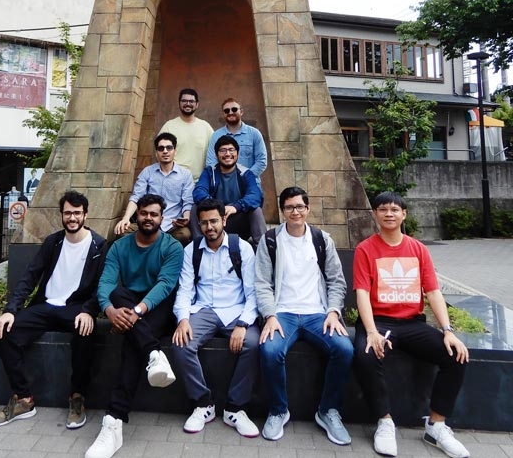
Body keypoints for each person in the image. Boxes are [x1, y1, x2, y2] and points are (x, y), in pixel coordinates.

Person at [353, 192, 470, 458]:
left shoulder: (418, 249)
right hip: (379, 322)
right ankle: (384, 422)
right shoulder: (365, 249)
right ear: (375, 214)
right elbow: (362, 292)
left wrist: (448, 331)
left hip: (412, 323)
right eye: (383, 209)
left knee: (456, 356)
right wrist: (371, 332)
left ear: (404, 214)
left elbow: (433, 292)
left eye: (395, 209)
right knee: (366, 355)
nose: (389, 214)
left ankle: (437, 425)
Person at [0, 190, 107, 429]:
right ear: (61, 215)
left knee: (85, 333)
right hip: (45, 306)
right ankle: (23, 399)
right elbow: (30, 276)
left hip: (75, 308)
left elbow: (102, 284)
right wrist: (11, 309)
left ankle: (77, 397)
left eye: (76, 213)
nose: (72, 218)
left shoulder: (99, 246)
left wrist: (89, 310)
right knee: (6, 331)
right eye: (67, 213)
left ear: (85, 215)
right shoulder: (53, 242)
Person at [85, 194, 184, 458]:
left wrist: (134, 315)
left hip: (158, 308)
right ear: (136, 216)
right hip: (130, 307)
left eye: (154, 214)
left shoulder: (172, 247)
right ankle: (154, 354)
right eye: (144, 213)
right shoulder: (120, 246)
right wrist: (110, 311)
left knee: (131, 343)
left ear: (162, 218)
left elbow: (165, 285)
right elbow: (105, 283)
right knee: (117, 296)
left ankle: (113, 421)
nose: (148, 218)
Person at [255, 186, 353, 445]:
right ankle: (278, 410)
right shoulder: (270, 240)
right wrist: (270, 315)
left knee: (344, 349)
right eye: (289, 207)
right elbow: (262, 283)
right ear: (283, 211)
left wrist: (333, 311)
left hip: (317, 314)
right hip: (283, 313)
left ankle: (328, 410)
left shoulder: (322, 239)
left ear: (307, 209)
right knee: (269, 350)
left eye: (299, 206)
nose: (295, 211)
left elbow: (336, 281)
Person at [171, 198, 260, 438]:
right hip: (203, 310)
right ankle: (203, 404)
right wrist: (182, 319)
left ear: (223, 220)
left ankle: (236, 409)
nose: (209, 227)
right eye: (204, 223)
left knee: (253, 344)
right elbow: (185, 289)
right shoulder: (192, 250)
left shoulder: (241, 248)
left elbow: (253, 293)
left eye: (213, 221)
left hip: (236, 310)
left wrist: (243, 324)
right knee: (181, 343)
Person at [115, 133, 194, 244]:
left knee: (185, 235)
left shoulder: (185, 175)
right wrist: (126, 218)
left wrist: (185, 219)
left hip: (172, 225)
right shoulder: (147, 172)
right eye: (161, 148)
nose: (165, 151)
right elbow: (136, 197)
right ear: (156, 153)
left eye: (169, 148)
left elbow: (188, 202)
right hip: (148, 222)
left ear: (175, 151)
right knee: (122, 231)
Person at [192, 135, 266, 244]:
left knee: (256, 210)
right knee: (195, 208)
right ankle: (198, 245)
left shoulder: (246, 173)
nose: (227, 154)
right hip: (213, 222)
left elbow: (255, 195)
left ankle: (263, 248)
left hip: (238, 222)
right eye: (223, 150)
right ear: (217, 155)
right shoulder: (209, 172)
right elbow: (198, 192)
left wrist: (236, 207)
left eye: (231, 150)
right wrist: (217, 208)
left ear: (237, 153)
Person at [205, 97, 267, 188]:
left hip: (250, 186)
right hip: (225, 186)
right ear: (223, 114)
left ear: (241, 112)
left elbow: (262, 161)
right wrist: (227, 178)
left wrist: (245, 177)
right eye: (226, 110)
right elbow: (211, 162)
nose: (230, 112)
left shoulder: (254, 134)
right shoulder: (216, 136)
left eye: (234, 109)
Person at [159, 88, 214, 182]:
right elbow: (159, 153)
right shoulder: (169, 126)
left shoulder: (205, 127)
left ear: (197, 104)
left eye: (191, 101)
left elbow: (214, 152)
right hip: (173, 181)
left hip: (198, 183)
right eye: (184, 101)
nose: (188, 104)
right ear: (179, 103)